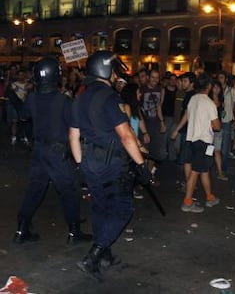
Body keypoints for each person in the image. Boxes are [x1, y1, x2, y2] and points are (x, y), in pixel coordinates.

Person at [69, 50, 151, 281]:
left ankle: (105, 255)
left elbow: (73, 136)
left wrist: (79, 166)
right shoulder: (109, 97)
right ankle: (93, 257)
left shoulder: (80, 97)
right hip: (110, 165)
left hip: (89, 163)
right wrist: (142, 165)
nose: (116, 75)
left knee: (101, 208)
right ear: (105, 70)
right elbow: (126, 135)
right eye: (114, 71)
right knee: (123, 209)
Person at [13, 56, 92, 245]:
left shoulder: (32, 97)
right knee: (69, 191)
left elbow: (23, 117)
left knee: (35, 190)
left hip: (39, 150)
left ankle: (21, 230)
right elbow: (75, 126)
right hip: (57, 152)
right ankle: (74, 233)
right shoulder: (64, 101)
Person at [180, 73, 221, 213]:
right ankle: (187, 202)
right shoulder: (209, 103)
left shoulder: (193, 99)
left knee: (204, 170)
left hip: (191, 139)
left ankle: (210, 197)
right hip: (203, 141)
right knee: (196, 171)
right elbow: (217, 126)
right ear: (209, 86)